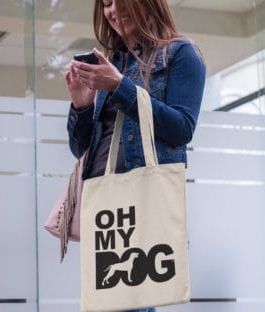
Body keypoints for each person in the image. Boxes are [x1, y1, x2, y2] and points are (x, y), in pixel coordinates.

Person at [65, 0, 206, 311]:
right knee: (108, 303)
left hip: (141, 201)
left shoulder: (181, 53)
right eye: (106, 4)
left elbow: (182, 128)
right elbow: (82, 150)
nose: (113, 10)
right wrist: (81, 105)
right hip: (105, 207)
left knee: (131, 300)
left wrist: (120, 87)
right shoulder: (111, 60)